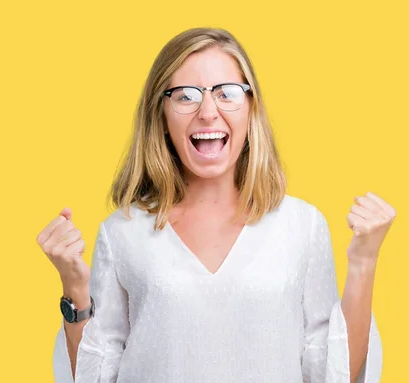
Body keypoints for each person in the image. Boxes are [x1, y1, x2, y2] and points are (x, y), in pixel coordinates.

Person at [36, 27, 396, 383]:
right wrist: (74, 288)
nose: (208, 112)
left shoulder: (302, 226)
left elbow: (333, 374)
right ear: (161, 115)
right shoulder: (122, 233)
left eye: (227, 93)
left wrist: (364, 261)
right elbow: (96, 378)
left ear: (251, 108)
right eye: (186, 96)